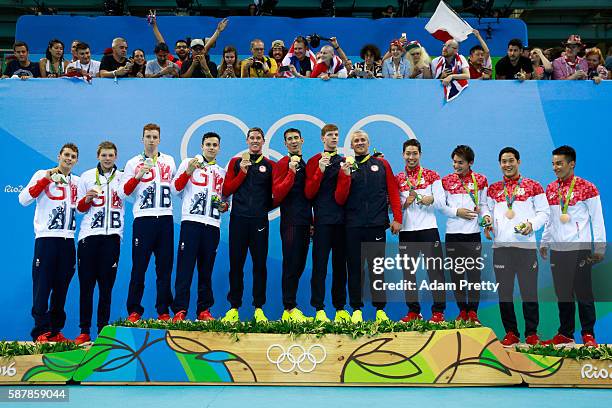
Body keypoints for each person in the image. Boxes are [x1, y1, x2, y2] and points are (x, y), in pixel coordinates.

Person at [541, 146, 606, 347]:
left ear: (572, 163)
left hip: (580, 249)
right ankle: (566, 334)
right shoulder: (551, 188)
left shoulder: (588, 188)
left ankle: (588, 334)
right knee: (563, 294)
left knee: (583, 292)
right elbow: (549, 219)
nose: (555, 167)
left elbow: (597, 219)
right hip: (558, 250)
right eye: (553, 163)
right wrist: (545, 241)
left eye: (559, 163)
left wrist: (600, 247)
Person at [484, 147, 549, 347]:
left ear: (518, 162)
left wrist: (531, 225)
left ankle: (531, 333)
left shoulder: (533, 186)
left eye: (511, 160)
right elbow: (486, 208)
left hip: (526, 249)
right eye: (503, 161)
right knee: (505, 293)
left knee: (529, 292)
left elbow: (545, 213)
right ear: (500, 164)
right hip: (501, 248)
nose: (507, 164)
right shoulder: (494, 189)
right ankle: (511, 332)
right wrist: (486, 219)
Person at [335, 130, 402, 322]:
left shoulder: (381, 164)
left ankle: (380, 310)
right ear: (352, 145)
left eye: (363, 139)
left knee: (377, 268)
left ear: (368, 142)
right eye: (356, 140)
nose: (360, 143)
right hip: (353, 226)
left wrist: (397, 218)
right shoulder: (346, 165)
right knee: (355, 268)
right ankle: (356, 309)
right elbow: (339, 197)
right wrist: (345, 175)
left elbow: (393, 191)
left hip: (376, 225)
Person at [18, 143, 80, 342]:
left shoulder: (77, 182)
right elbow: (24, 199)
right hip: (46, 239)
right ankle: (40, 331)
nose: (69, 159)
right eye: (66, 155)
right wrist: (45, 179)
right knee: (42, 286)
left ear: (76, 161)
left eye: (73, 156)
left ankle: (54, 331)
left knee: (61, 288)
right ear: (59, 156)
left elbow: (82, 208)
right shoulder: (42, 174)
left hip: (68, 241)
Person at [121, 124, 176, 322]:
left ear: (159, 139)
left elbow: (176, 187)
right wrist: (137, 176)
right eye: (148, 137)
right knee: (139, 267)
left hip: (165, 219)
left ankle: (163, 310)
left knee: (164, 268)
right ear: (142, 139)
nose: (151, 140)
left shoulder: (169, 160)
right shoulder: (132, 162)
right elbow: (123, 192)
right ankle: (134, 310)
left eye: (154, 137)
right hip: (143, 220)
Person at [171, 132, 228, 322]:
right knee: (184, 268)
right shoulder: (190, 163)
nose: (211, 147)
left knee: (206, 270)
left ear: (219, 148)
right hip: (191, 223)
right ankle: (180, 309)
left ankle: (204, 310)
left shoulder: (221, 171)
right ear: (202, 146)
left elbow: (226, 202)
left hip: (212, 225)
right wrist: (188, 171)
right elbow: (175, 188)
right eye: (208, 144)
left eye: (215, 145)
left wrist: (223, 206)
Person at [221, 128, 275, 323]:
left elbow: (275, 195)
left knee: (259, 265)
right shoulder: (235, 163)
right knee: (236, 265)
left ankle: (258, 308)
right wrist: (242, 173)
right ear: (246, 141)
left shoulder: (269, 166)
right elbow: (227, 189)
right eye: (251, 138)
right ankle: (234, 307)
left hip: (259, 222)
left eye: (258, 138)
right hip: (238, 220)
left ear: (263, 141)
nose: (254, 141)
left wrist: (261, 209)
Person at [74, 142, 124, 344]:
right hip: (88, 238)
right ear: (98, 156)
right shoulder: (86, 177)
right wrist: (86, 199)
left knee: (106, 288)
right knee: (86, 287)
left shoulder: (122, 177)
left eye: (111, 155)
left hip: (112, 238)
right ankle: (84, 331)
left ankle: (103, 331)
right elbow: (79, 209)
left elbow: (131, 193)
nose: (107, 158)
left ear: (116, 156)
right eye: (104, 155)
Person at [396, 139, 447, 323]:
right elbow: (392, 207)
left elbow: (442, 203)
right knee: (408, 273)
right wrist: (404, 203)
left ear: (420, 154)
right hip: (407, 231)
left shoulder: (432, 176)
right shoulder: (398, 178)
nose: (411, 157)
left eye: (414, 153)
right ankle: (413, 311)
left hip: (428, 230)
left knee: (435, 272)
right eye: (408, 153)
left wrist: (431, 198)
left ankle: (438, 312)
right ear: (403, 155)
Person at [441, 145, 490, 324]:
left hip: (473, 233)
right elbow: (441, 206)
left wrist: (486, 217)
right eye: (454, 162)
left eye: (460, 163)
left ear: (471, 163)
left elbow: (484, 205)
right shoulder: (446, 181)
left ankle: (473, 313)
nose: (456, 166)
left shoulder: (481, 180)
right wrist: (456, 212)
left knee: (474, 274)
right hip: (453, 234)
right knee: (456, 274)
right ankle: (462, 311)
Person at [305, 124, 349, 322]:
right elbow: (309, 193)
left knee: (340, 267)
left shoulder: (345, 162)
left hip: (341, 223)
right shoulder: (314, 161)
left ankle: (340, 308)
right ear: (323, 138)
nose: (334, 138)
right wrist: (320, 171)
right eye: (330, 135)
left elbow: (344, 196)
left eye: (336, 135)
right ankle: (319, 309)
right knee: (319, 267)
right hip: (322, 222)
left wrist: (345, 175)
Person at [272, 128, 313, 322]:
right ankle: (288, 308)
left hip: (305, 222)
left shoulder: (306, 164)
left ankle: (290, 307)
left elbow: (308, 196)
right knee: (290, 264)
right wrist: (290, 172)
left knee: (300, 264)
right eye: (290, 139)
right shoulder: (282, 164)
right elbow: (278, 194)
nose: (294, 141)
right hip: (290, 222)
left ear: (302, 140)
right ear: (285, 144)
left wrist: (312, 222)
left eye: (296, 138)